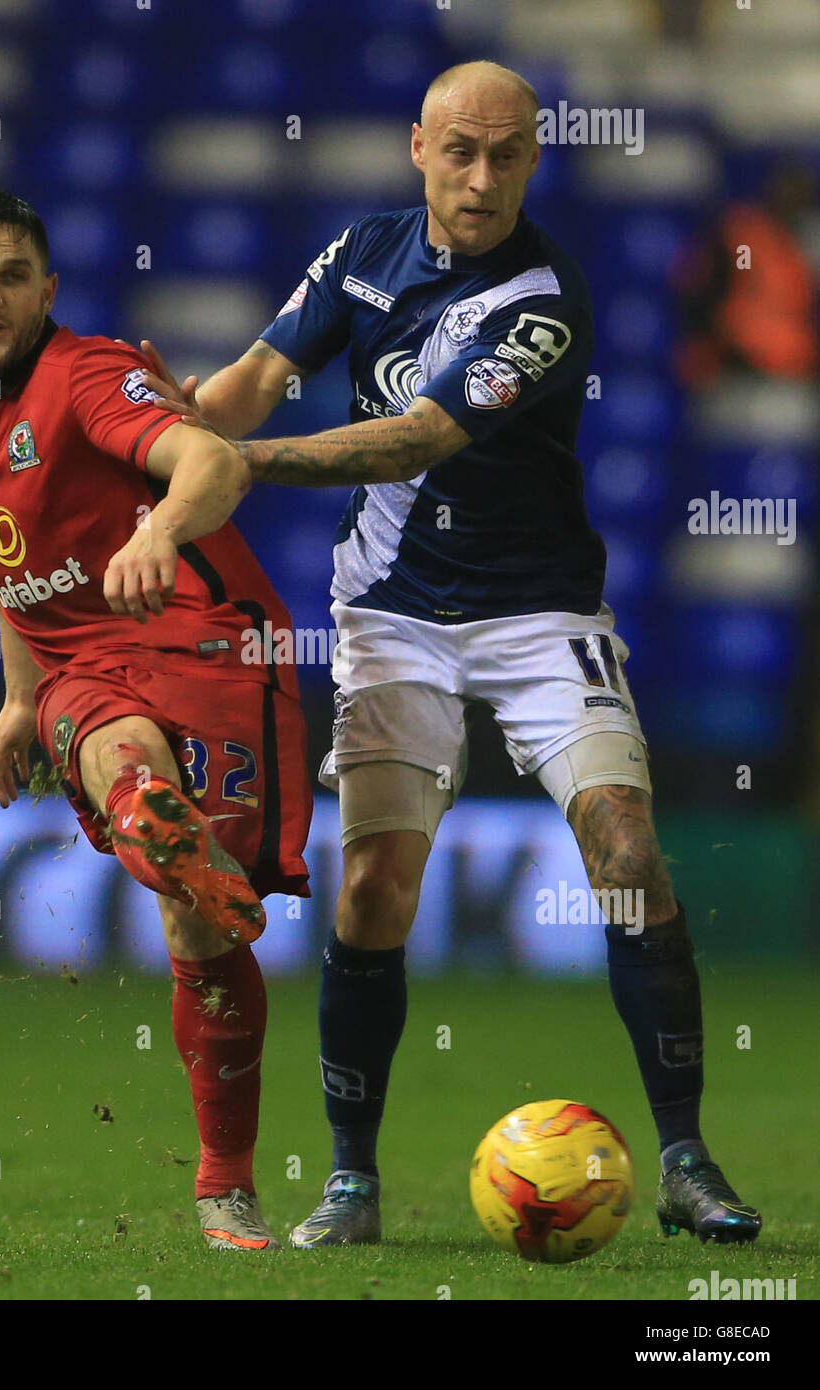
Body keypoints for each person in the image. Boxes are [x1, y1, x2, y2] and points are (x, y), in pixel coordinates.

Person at [140, 62, 762, 1248]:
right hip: (391, 608)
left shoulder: (542, 296)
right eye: (460, 151)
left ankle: (684, 1154)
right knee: (376, 888)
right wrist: (176, 424)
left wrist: (242, 467)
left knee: (627, 846)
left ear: (535, 159)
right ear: (416, 144)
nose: (482, 180)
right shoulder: (362, 248)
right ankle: (353, 1182)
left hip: (538, 610)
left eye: (509, 156)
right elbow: (254, 381)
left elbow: (415, 438)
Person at [0, 188, 312, 1251]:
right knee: (119, 757)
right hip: (85, 663)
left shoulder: (84, 375)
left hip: (207, 638)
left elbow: (215, 459)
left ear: (49, 290)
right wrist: (15, 697)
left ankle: (227, 1179)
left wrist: (162, 532)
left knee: (201, 928)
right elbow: (11, 570)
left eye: (12, 275)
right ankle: (148, 809)